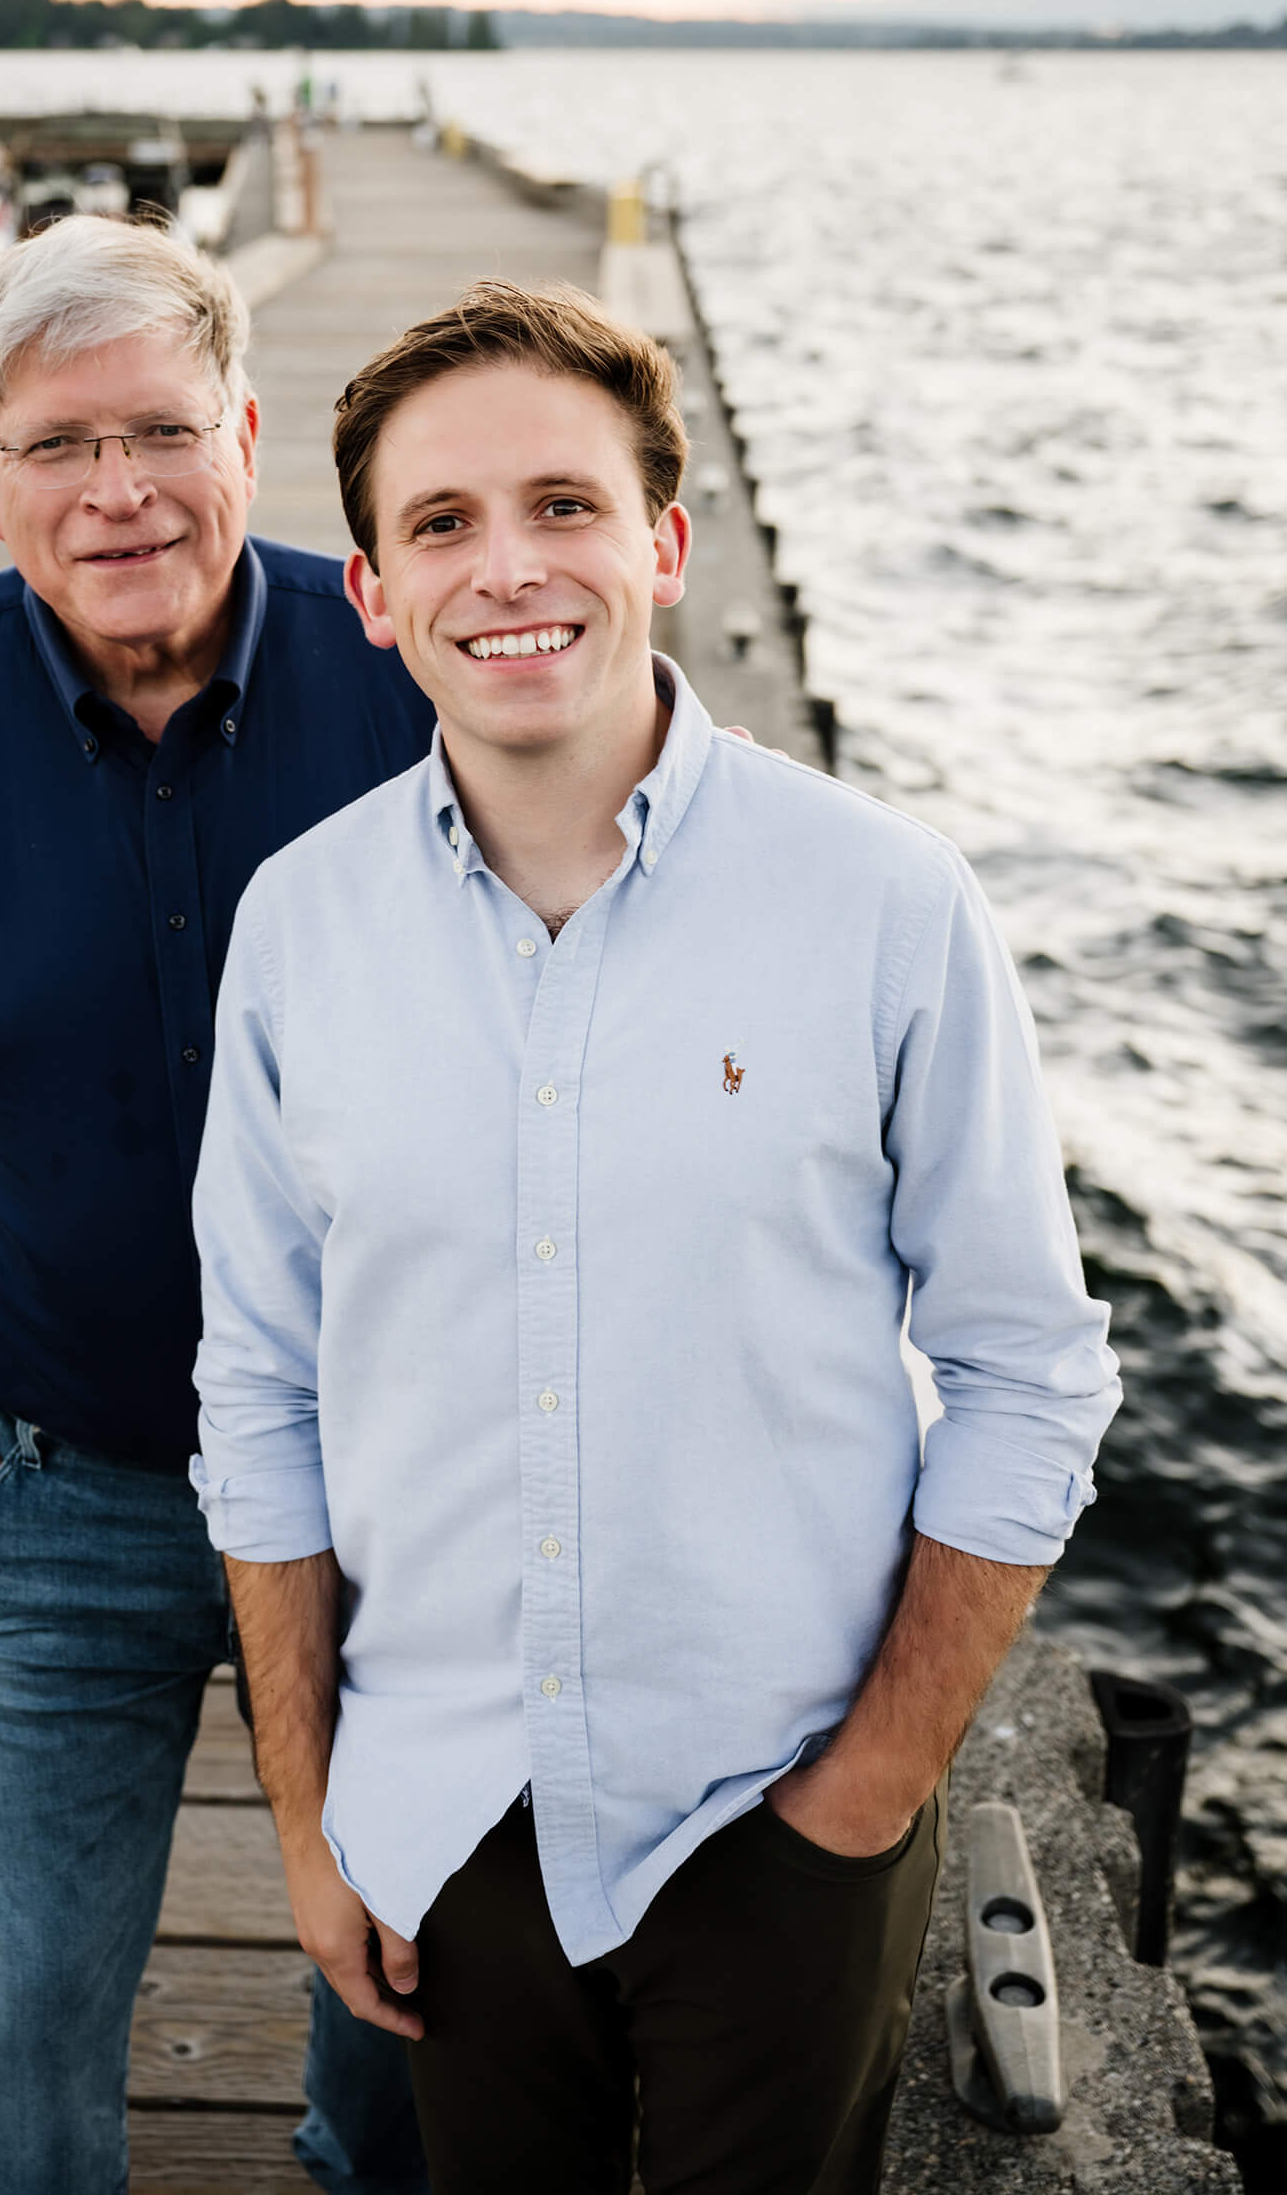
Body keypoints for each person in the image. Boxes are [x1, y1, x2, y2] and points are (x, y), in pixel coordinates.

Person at [190, 281, 1122, 2194]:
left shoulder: (880, 903)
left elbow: (1033, 1372)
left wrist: (863, 1795)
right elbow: (258, 1388)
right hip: (446, 1810)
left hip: (774, 1811)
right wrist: (312, 1822)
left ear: (666, 548)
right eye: (439, 525)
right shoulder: (298, 931)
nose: (505, 567)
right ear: (370, 592)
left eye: (563, 504)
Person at [0, 215, 434, 2195]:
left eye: (157, 428)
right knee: (35, 1986)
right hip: (42, 1490)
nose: (115, 486)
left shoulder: (416, 683)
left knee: (411, 1947)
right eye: (55, 444)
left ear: (243, 431)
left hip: (396, 1477)